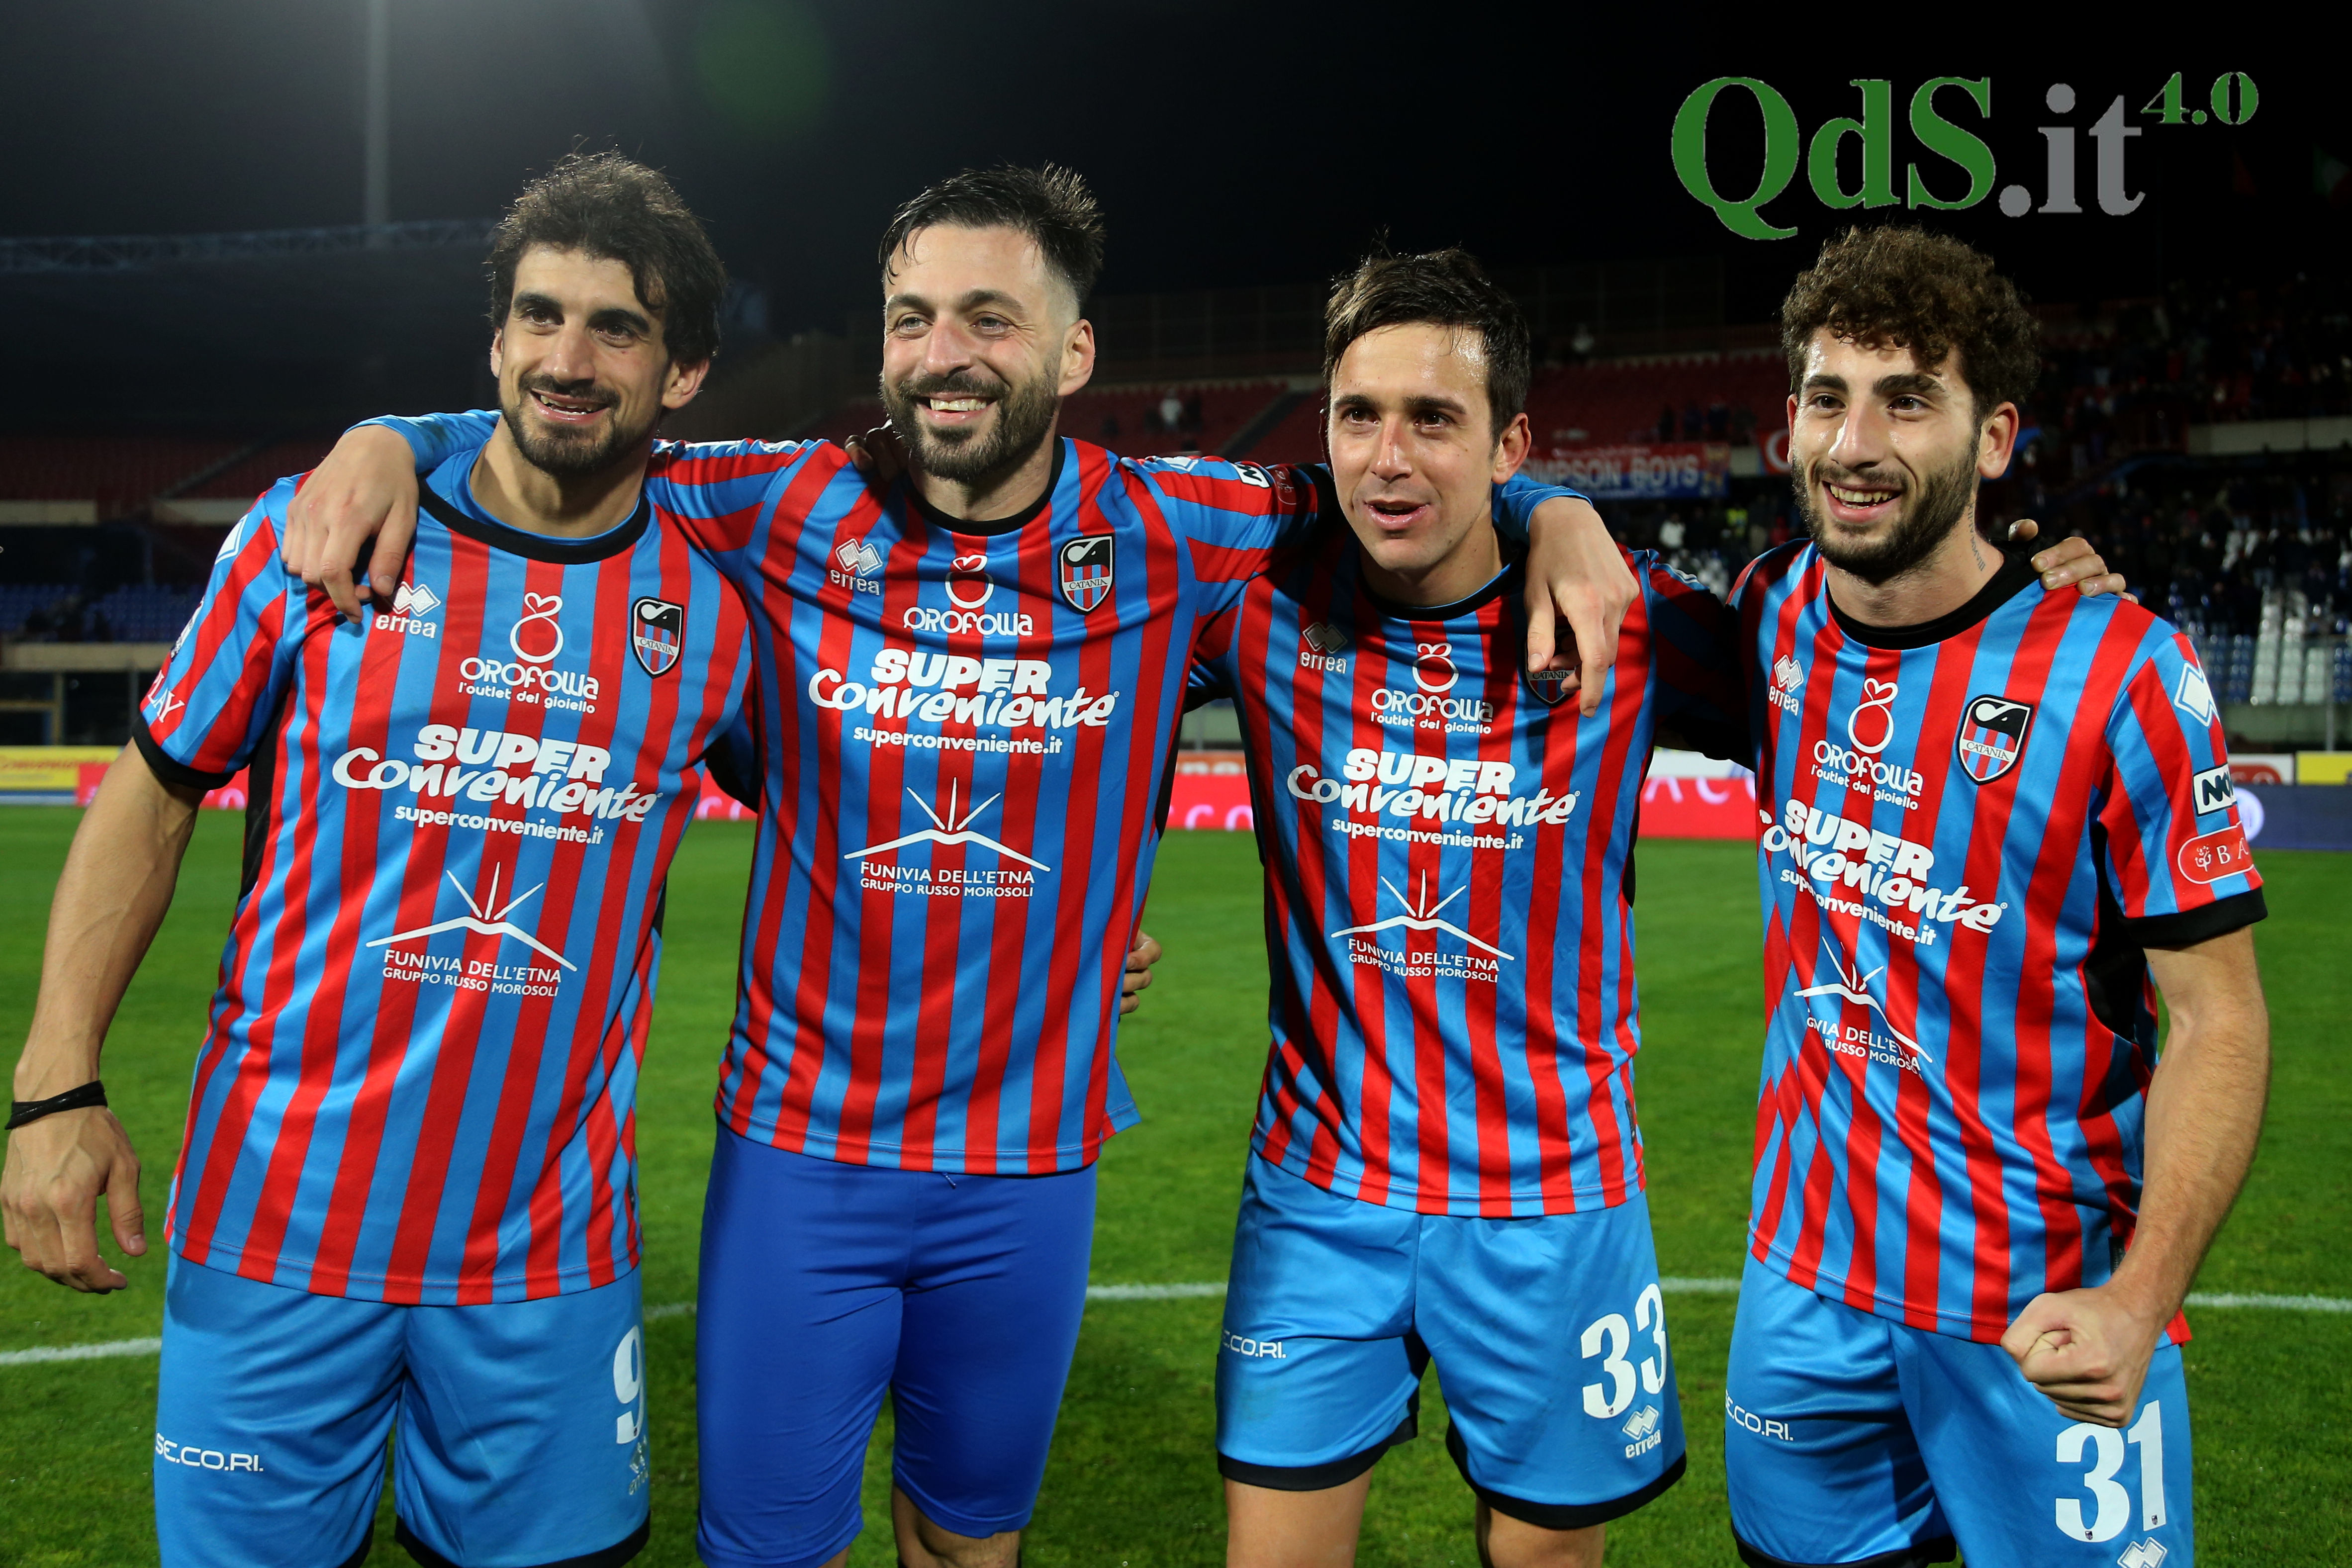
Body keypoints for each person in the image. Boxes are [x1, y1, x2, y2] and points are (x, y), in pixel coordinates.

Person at [281, 166, 1630, 1568]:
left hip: (1027, 1172)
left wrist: (1557, 512)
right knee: (768, 1554)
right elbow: (572, 430)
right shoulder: (775, 501)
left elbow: (1396, 478)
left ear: (1073, 349)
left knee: (970, 1543)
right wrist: (394, 436)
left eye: (990, 317)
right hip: (802, 1153)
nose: (944, 353)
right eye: (913, 317)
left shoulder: (1177, 528)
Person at [3, 152, 755, 1568]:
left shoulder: (721, 612)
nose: (568, 359)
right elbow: (154, 793)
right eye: (538, 316)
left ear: (685, 373)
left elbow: (868, 794)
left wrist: (1089, 923)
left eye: (618, 328)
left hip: (546, 1258)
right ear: (494, 341)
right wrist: (56, 1083)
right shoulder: (318, 535)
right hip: (274, 1227)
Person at [1720, 226, 2268, 1567]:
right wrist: (1553, 510)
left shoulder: (2122, 671)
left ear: (1996, 435)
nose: (1855, 443)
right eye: (1828, 397)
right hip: (1803, 1286)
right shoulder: (1767, 613)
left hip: (2046, 1306)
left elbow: (2219, 1021)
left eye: (1908, 400)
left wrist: (2142, 1296)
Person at [1190, 249, 1737, 1568]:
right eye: (1358, 415)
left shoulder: (1627, 622)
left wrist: (2035, 591)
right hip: (1320, 1195)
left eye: (1434, 419)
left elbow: (1869, 673)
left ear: (1509, 445)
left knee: (1543, 1558)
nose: (1389, 458)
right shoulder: (1256, 608)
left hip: (1553, 1200)